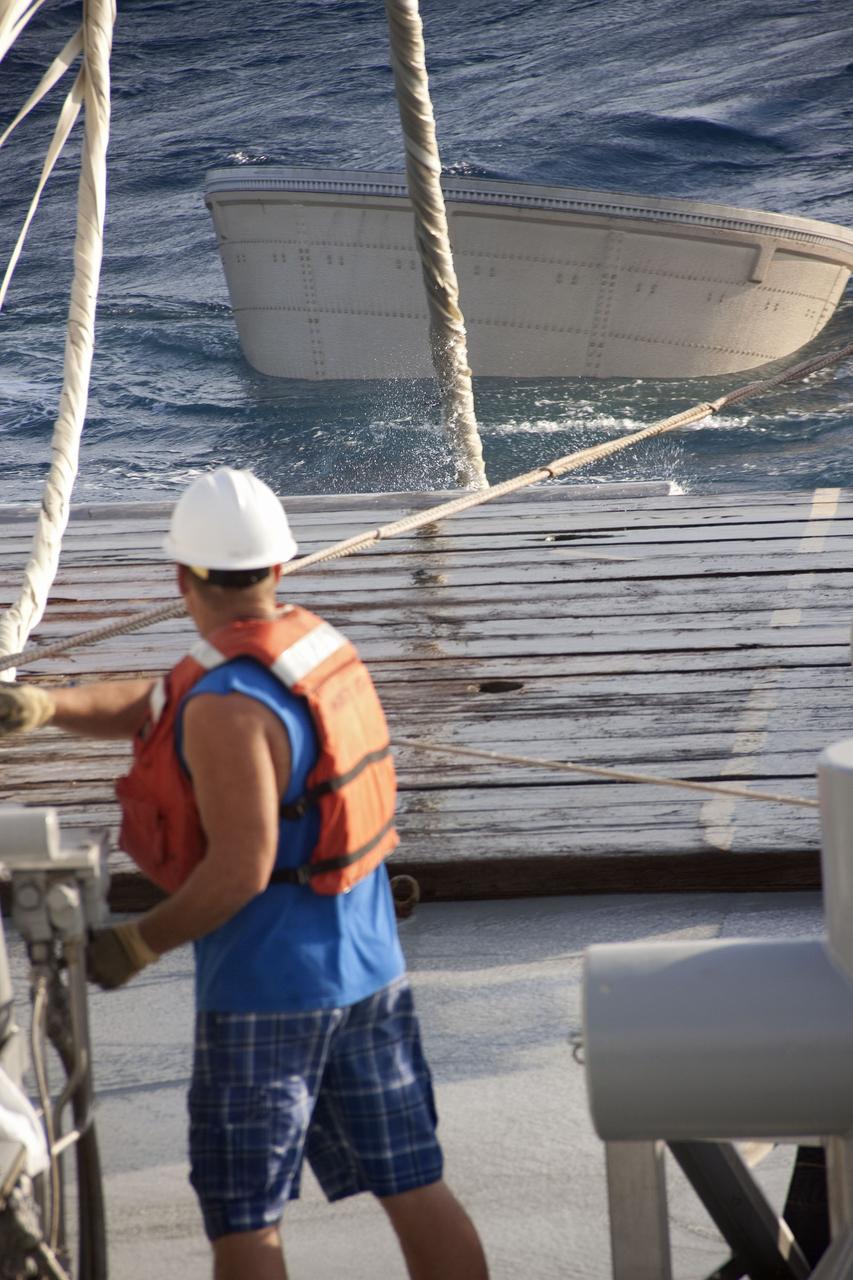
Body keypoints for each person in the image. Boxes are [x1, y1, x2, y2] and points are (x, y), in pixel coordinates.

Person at [0, 468, 489, 1280]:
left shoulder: (228, 706)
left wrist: (136, 945)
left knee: (246, 1221)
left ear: (182, 578)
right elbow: (161, 698)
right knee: (413, 1183)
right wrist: (49, 706)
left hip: (269, 997)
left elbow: (240, 869)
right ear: (278, 570)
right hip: (368, 977)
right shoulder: (309, 647)